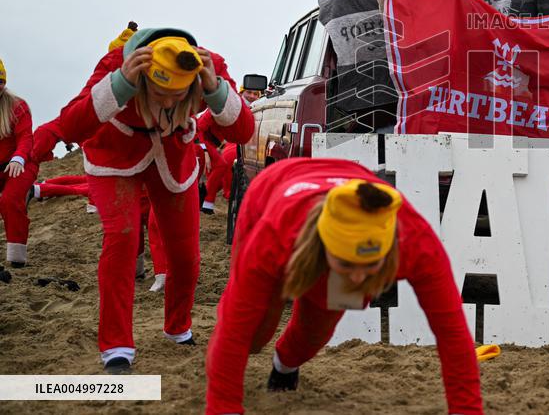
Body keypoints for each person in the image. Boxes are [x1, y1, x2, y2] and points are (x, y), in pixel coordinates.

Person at [204, 158, 481, 415]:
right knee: (254, 329)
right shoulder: (276, 235)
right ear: (324, 247)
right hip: (272, 193)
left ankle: (285, 364)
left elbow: (452, 334)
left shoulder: (416, 242)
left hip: (342, 203)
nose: (359, 279)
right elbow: (235, 329)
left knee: (317, 329)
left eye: (370, 265)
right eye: (348, 266)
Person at [59, 28, 254, 373]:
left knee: (185, 255)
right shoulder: (116, 63)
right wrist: (119, 83)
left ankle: (177, 327)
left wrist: (215, 88)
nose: (167, 102)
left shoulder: (207, 65)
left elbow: (241, 133)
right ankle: (116, 345)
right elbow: (72, 125)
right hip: (114, 157)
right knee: (121, 238)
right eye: (160, 94)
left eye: (176, 96)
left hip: (174, 159)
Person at [0, 58, 36, 267]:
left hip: (21, 163)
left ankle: (17, 255)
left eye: (0, 82)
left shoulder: (18, 106)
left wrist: (18, 158)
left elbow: (26, 138)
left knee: (10, 200)